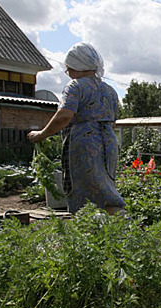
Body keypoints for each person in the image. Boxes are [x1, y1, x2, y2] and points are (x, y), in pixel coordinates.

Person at [28, 42, 126, 215]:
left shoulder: (76, 86)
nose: (69, 74)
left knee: (85, 189)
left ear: (78, 66)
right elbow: (112, 122)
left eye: (69, 69)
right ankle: (110, 232)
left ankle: (98, 230)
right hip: (109, 142)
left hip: (86, 142)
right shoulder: (110, 90)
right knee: (105, 186)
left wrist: (40, 135)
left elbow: (65, 115)